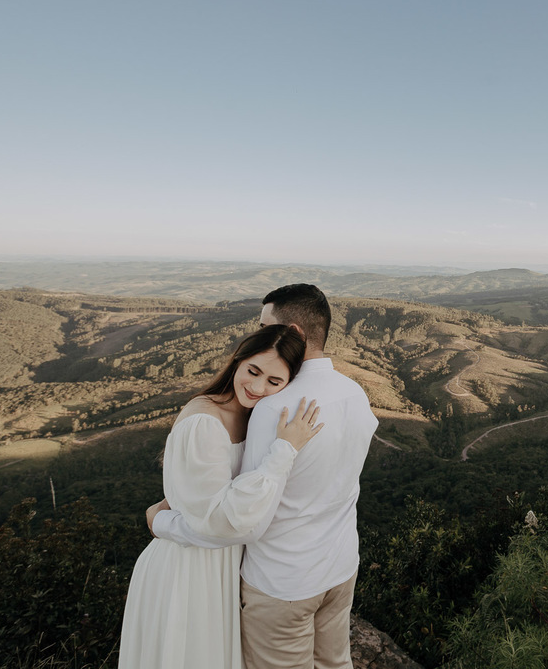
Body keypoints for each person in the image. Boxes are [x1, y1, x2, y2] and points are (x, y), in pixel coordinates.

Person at [152, 284, 379, 669]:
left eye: (263, 325)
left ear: (294, 333)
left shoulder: (276, 409)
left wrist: (163, 522)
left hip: (283, 582)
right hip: (340, 568)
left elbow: (246, 521)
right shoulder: (355, 393)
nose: (256, 333)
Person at [118, 324, 323, 669]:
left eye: (274, 382)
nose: (257, 387)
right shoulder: (205, 420)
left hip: (222, 568)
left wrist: (164, 517)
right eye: (252, 371)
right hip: (186, 568)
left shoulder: (256, 418)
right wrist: (285, 450)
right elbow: (220, 521)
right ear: (237, 362)